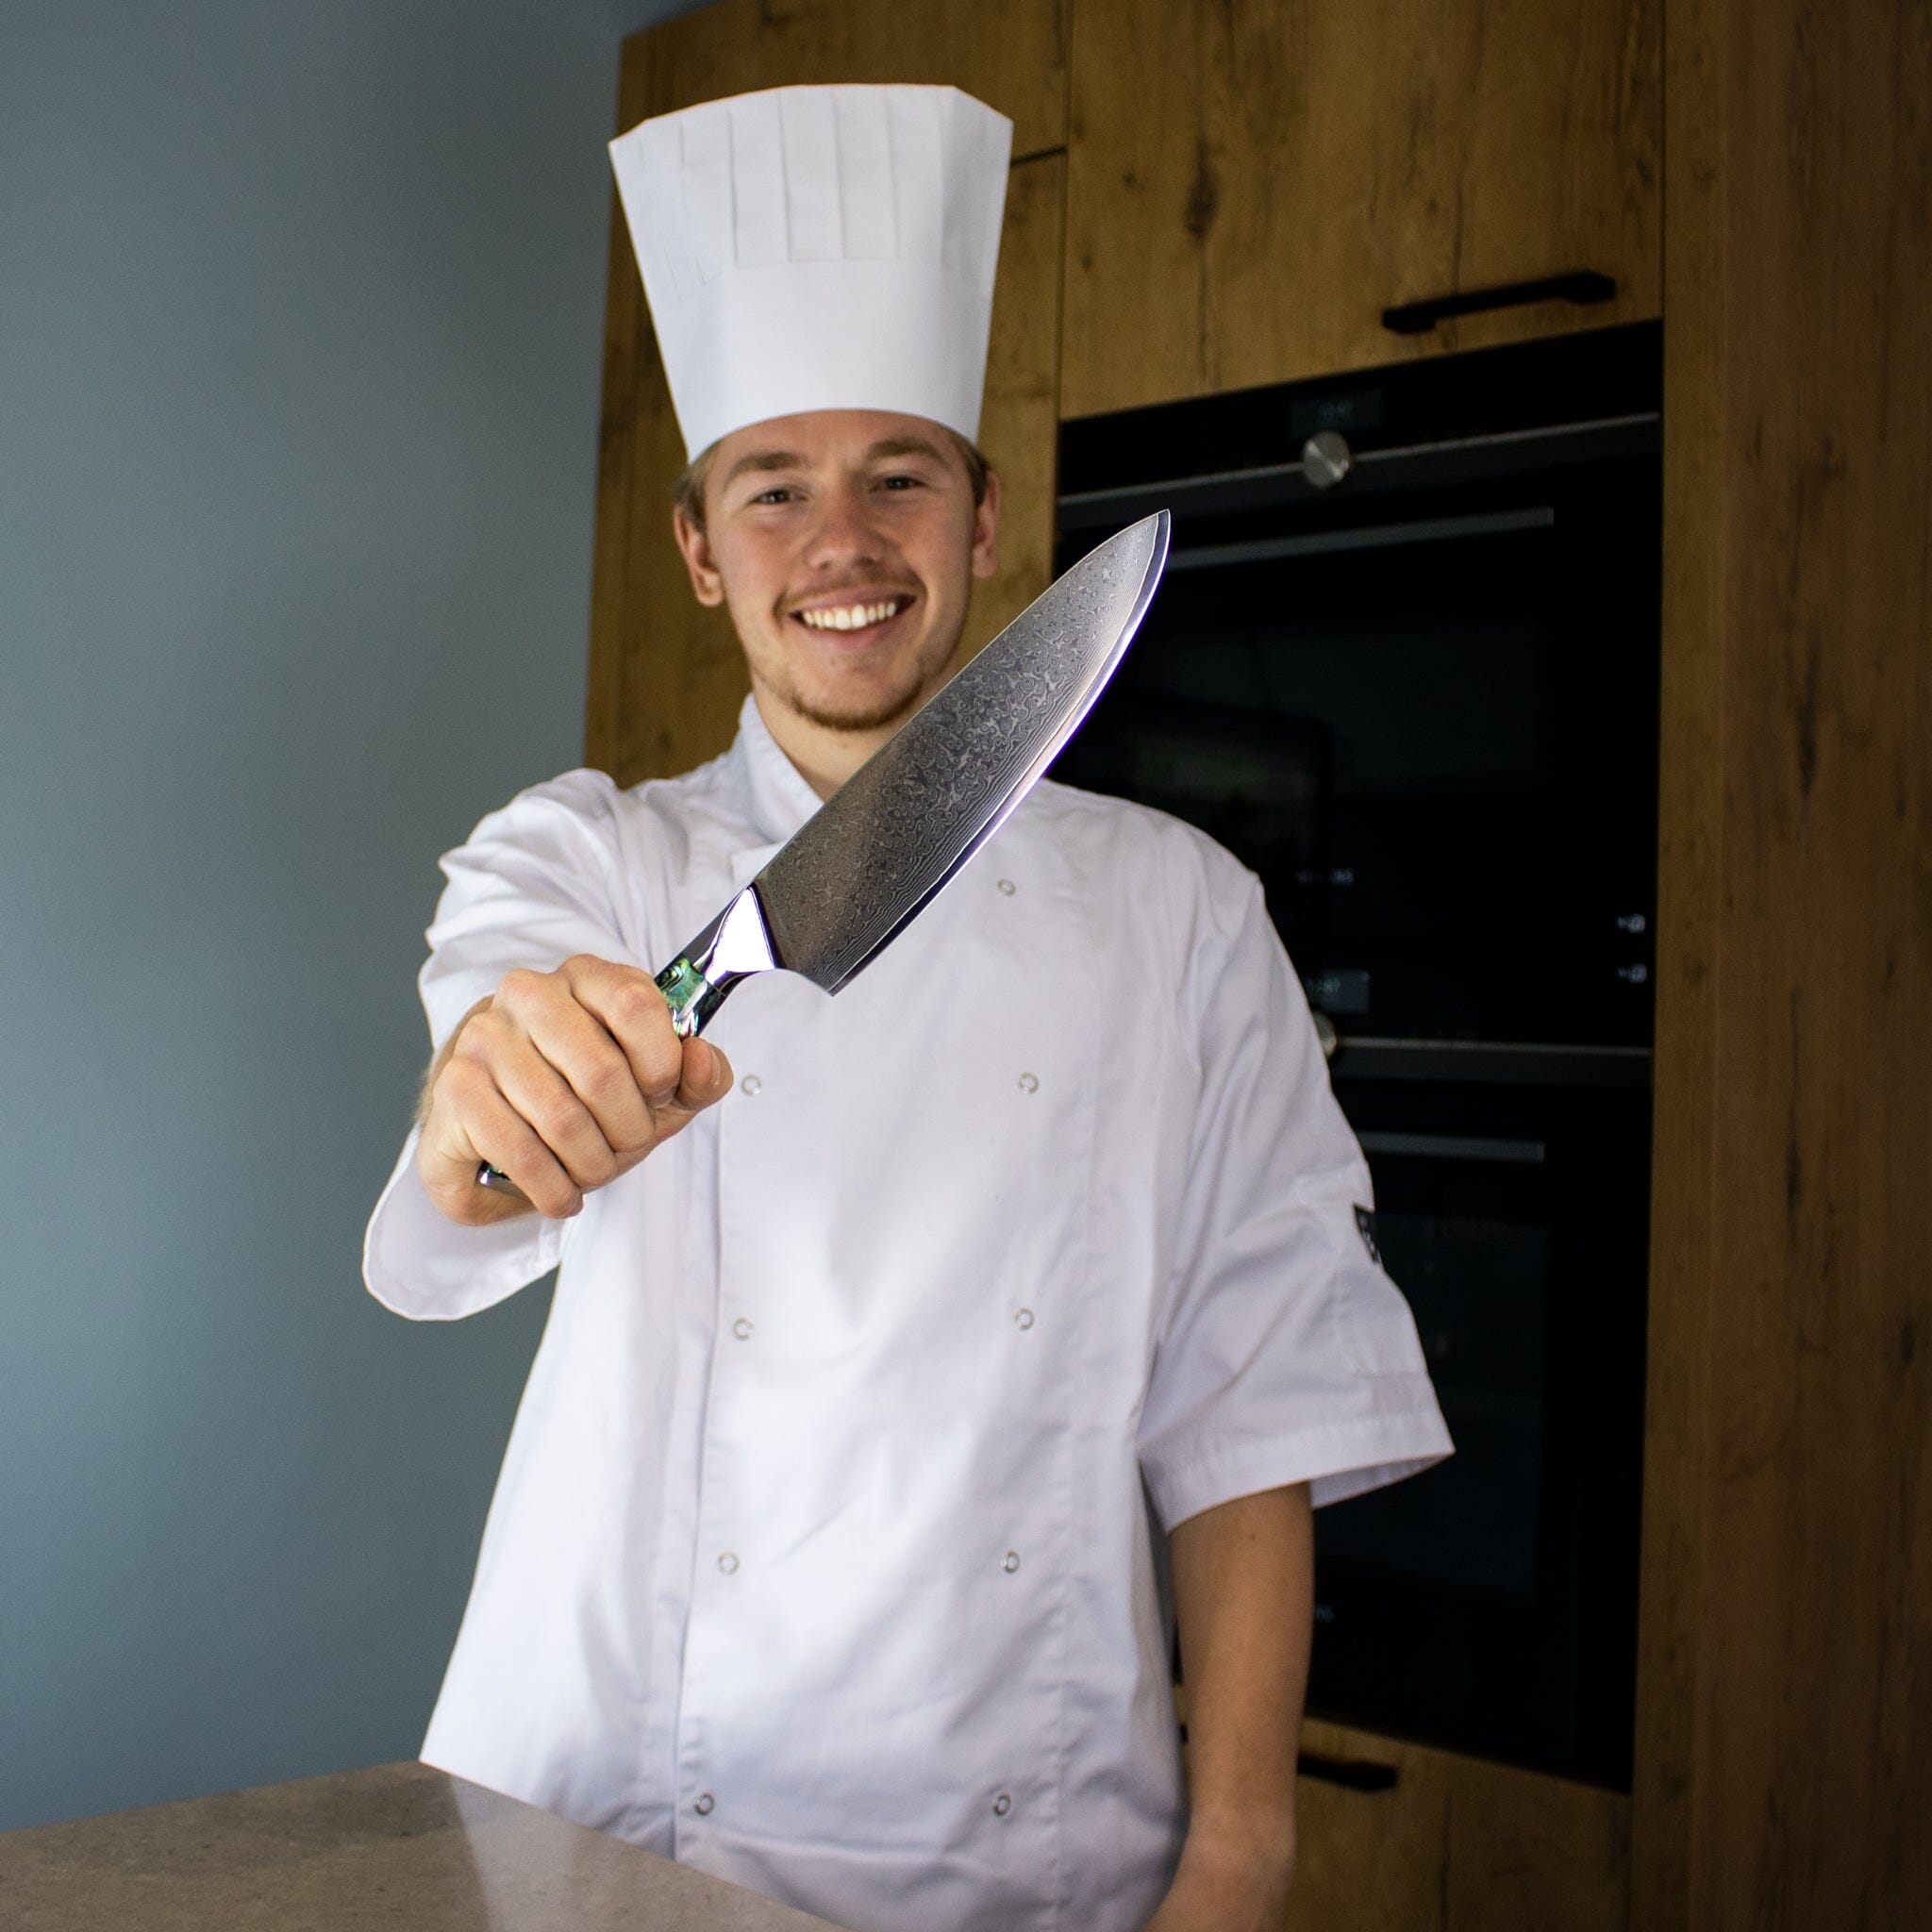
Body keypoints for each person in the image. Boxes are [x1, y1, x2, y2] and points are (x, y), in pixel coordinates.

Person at [363, 82, 1452, 1932]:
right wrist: (502, 1105)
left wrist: (1242, 1855)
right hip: (604, 1819)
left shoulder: (1177, 911)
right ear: (703, 553)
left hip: (1017, 1841)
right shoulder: (588, 862)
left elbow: (1253, 1396)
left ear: (985, 517)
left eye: (899, 474)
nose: (841, 540)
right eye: (771, 489)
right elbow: (479, 1127)